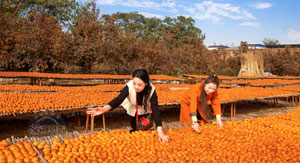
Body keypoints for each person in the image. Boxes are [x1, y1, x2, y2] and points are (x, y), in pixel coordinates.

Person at [86, 69, 169, 143]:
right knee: (134, 125)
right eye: (134, 83)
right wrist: (104, 109)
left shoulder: (151, 90)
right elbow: (119, 99)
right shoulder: (129, 86)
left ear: (146, 83)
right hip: (132, 108)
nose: (136, 87)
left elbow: (155, 110)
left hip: (144, 109)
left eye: (140, 85)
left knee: (144, 128)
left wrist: (160, 132)